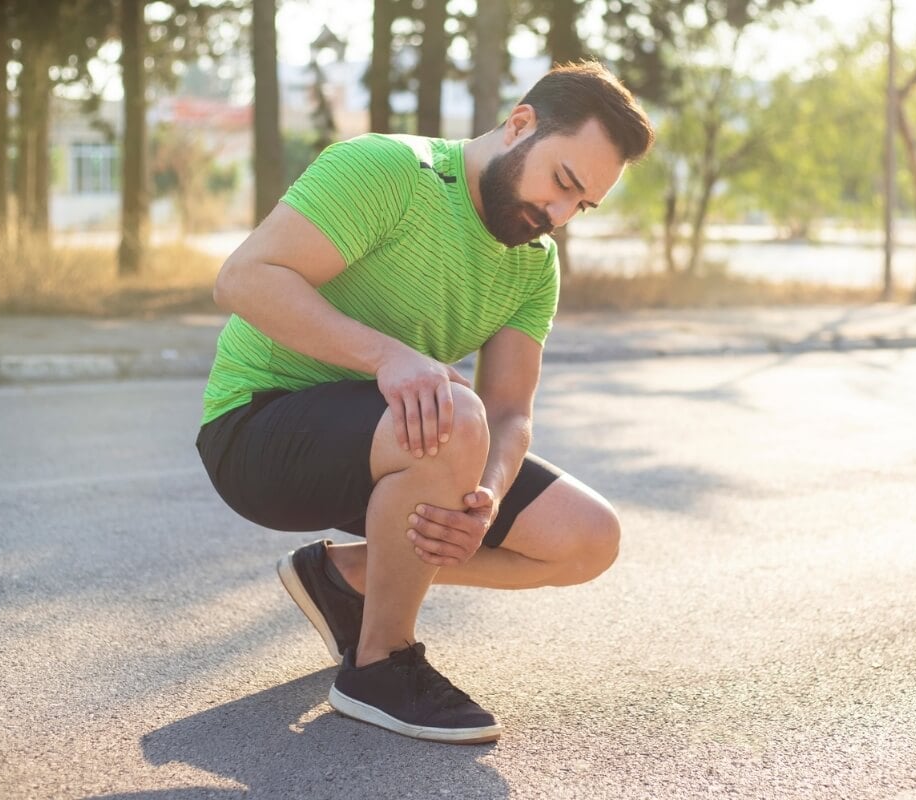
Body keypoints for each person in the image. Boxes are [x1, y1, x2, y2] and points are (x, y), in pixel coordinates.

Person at [195, 61, 654, 744]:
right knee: (449, 412)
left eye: (579, 207)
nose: (556, 218)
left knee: (587, 539)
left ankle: (347, 577)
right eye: (562, 182)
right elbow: (243, 280)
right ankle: (380, 666)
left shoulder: (532, 264)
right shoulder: (388, 171)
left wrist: (487, 498)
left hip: (393, 449)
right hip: (258, 431)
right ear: (520, 124)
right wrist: (388, 356)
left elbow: (509, 412)